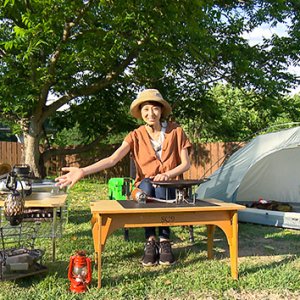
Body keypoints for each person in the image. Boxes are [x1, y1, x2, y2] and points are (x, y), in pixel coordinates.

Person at [55, 89, 192, 267]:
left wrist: (168, 174)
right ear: (141, 113)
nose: (151, 114)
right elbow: (112, 159)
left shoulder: (177, 132)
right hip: (146, 186)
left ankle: (165, 240)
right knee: (148, 187)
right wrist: (83, 171)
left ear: (161, 111)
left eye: (155, 109)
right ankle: (150, 241)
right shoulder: (135, 136)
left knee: (162, 186)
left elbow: (185, 164)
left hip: (170, 185)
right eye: (146, 110)